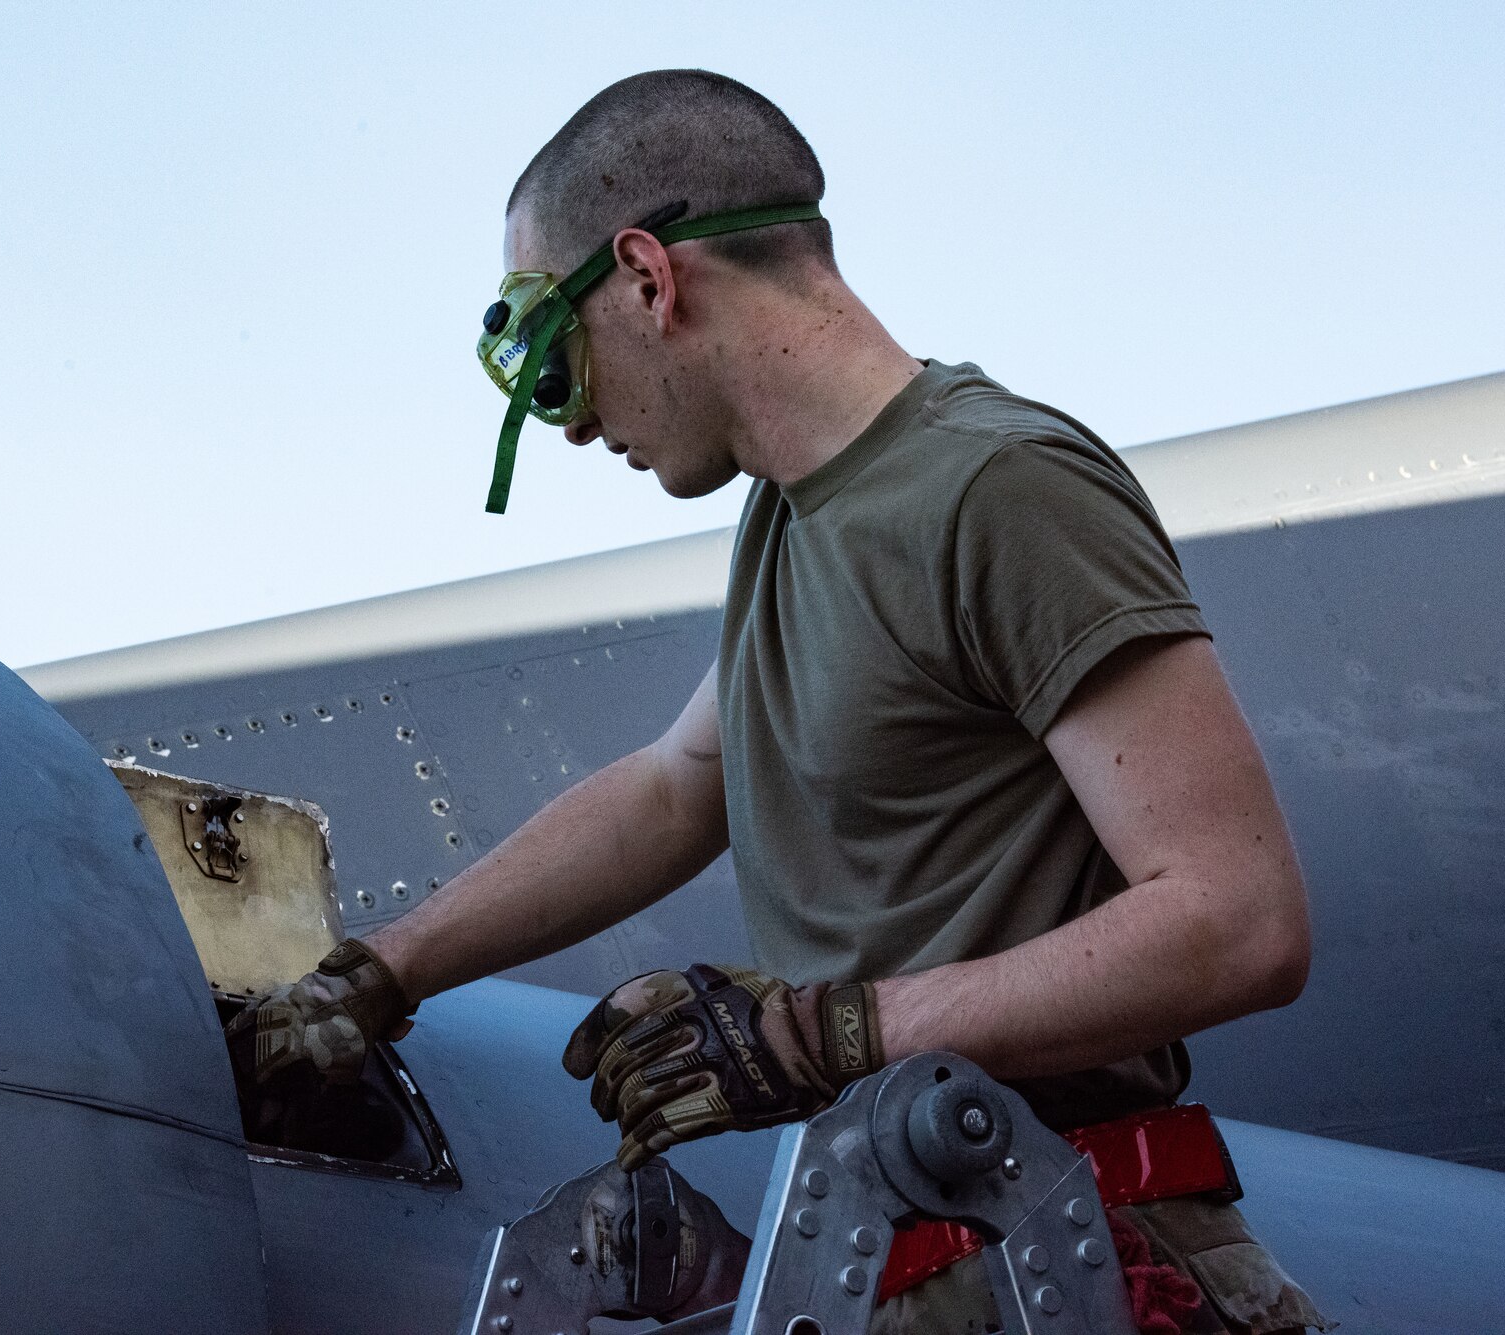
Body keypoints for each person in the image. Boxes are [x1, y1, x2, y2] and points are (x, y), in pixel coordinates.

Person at [229, 70, 1327, 1334]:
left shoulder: (997, 487)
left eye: (552, 351)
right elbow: (672, 786)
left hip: (1090, 1264)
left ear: (648, 277)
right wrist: (375, 974)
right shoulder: (796, 521)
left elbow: (1239, 919)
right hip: (927, 1265)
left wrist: (822, 1033)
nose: (573, 424)